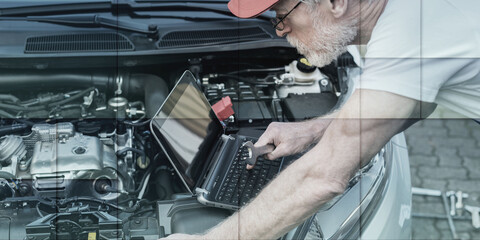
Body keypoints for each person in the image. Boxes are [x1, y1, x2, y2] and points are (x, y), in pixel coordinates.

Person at [162, 0, 480, 239]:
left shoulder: (409, 31)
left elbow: (323, 177)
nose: (279, 29)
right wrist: (312, 129)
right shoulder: (394, 19)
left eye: (282, 14)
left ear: (335, 2)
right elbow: (415, 104)